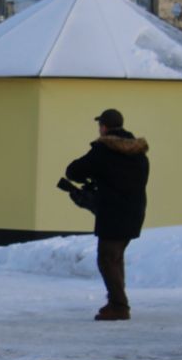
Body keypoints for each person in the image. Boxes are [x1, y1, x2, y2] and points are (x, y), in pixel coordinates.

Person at [64, 107, 149, 321]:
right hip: (135, 211)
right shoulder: (138, 152)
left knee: (106, 259)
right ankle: (116, 302)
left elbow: (73, 171)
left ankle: (119, 305)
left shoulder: (103, 151)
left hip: (112, 213)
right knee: (115, 258)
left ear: (104, 127)